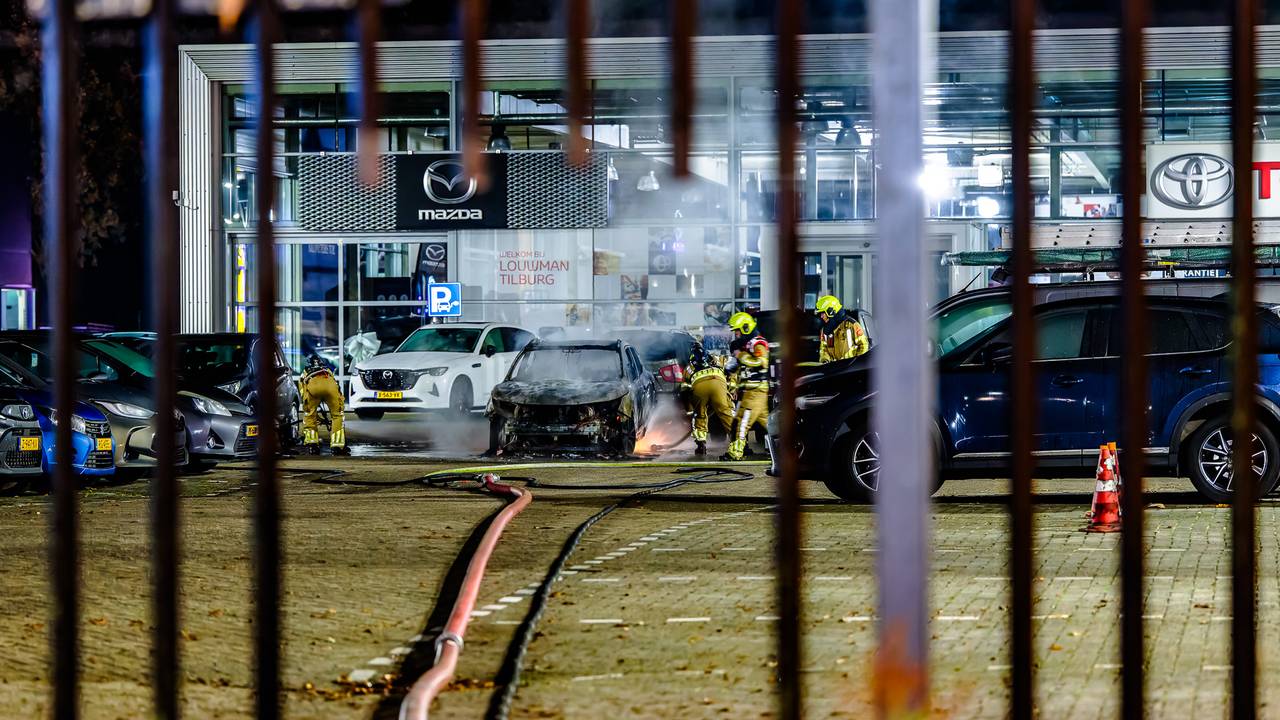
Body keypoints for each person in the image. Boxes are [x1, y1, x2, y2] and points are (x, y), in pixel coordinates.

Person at [723, 312, 770, 461]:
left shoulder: (758, 343)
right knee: (770, 424)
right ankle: (792, 447)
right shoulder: (748, 344)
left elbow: (762, 362)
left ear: (745, 327)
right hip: (752, 390)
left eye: (737, 330)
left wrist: (740, 356)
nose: (736, 334)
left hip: (755, 390)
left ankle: (735, 453)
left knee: (741, 422)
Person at [680, 341, 734, 456]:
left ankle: (701, 445)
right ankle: (737, 442)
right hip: (718, 383)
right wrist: (731, 390)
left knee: (699, 415)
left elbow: (684, 390)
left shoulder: (688, 368)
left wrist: (690, 410)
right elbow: (732, 367)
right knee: (726, 413)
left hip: (700, 387)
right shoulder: (717, 358)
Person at [299, 354, 348, 455]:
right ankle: (337, 446)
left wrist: (312, 413)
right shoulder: (327, 371)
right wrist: (340, 406)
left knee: (309, 416)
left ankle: (312, 445)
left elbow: (304, 395)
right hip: (330, 388)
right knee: (337, 416)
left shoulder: (304, 373)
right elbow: (337, 388)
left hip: (313, 388)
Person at [815, 294, 869, 363]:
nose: (821, 316)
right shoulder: (825, 330)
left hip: (850, 371)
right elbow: (823, 349)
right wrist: (824, 361)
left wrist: (857, 365)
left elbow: (864, 345)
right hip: (833, 371)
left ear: (831, 311)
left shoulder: (851, 325)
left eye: (823, 313)